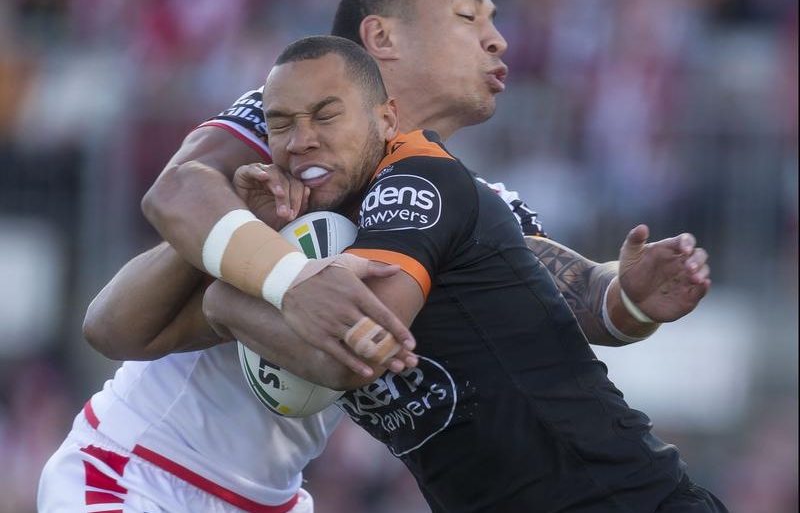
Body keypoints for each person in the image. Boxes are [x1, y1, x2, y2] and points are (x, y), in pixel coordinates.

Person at [37, 0, 710, 513]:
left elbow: (575, 297)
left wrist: (630, 298)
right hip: (141, 472)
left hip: (272, 497)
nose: (498, 40)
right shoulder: (295, 124)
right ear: (382, 37)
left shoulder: (451, 192)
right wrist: (290, 277)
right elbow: (172, 200)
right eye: (469, 17)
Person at [201, 34, 729, 512]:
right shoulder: (305, 230)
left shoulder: (416, 179)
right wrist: (250, 233)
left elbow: (359, 351)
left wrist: (222, 300)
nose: (301, 140)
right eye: (281, 124)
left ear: (385, 118)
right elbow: (138, 329)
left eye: (326, 116)